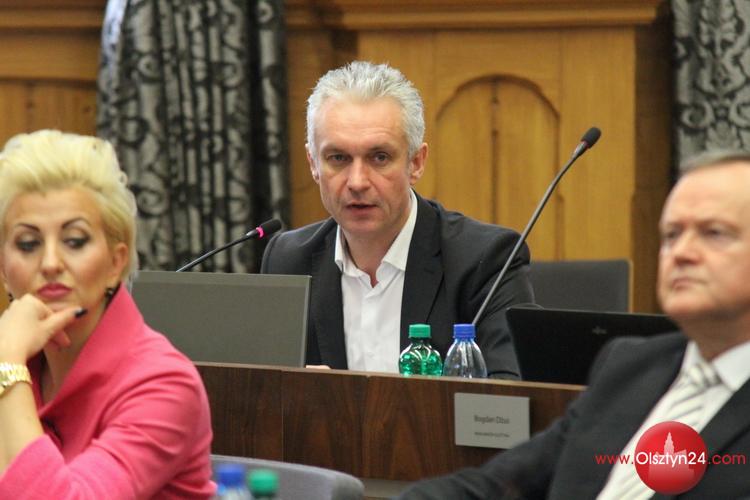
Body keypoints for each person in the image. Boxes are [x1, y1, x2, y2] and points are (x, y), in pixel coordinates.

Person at [397, 149, 750, 499]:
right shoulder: (631, 367)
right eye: (672, 235)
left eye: (714, 233)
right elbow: (499, 484)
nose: (682, 252)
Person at [261, 61, 533, 378]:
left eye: (380, 157)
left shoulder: (485, 260)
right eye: (338, 158)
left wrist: (339, 399)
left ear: (416, 163)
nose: (357, 182)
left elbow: (508, 391)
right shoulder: (288, 260)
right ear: (313, 164)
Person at [0, 130, 215, 498]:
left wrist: (7, 364)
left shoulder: (165, 383)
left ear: (116, 263)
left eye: (75, 241)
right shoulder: (17, 360)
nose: (50, 263)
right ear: (4, 269)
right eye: (28, 243)